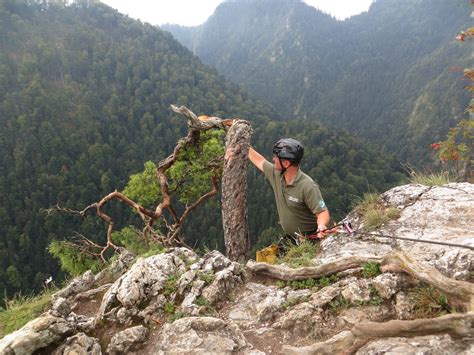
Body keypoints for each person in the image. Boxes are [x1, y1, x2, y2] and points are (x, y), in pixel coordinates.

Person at [248, 138, 330, 243]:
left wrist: (322, 225)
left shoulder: (307, 186)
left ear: (286, 163)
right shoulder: (276, 175)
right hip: (291, 239)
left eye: (276, 157)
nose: (273, 159)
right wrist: (242, 142)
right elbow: (259, 161)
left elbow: (322, 212)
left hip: (310, 240)